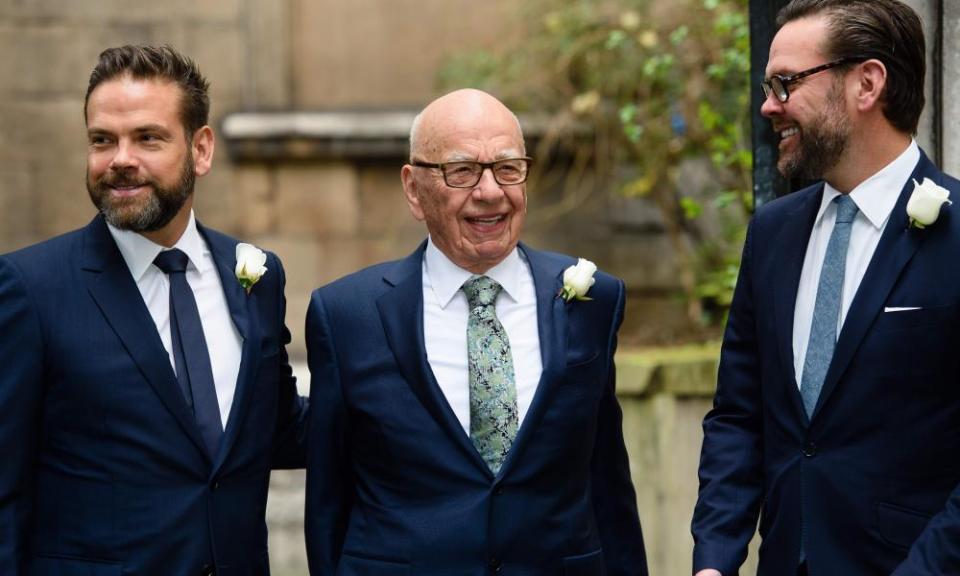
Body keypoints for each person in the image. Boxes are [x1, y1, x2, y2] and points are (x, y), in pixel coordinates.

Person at [304, 88, 647, 575]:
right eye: (461, 171)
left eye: (508, 168)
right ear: (413, 188)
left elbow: (608, 481)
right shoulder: (346, 315)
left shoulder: (594, 300)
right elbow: (328, 500)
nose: (490, 192)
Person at [0, 45, 307, 575]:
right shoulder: (29, 287)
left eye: (147, 137)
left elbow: (276, 427)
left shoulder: (257, 276)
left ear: (201, 149)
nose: (120, 159)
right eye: (102, 140)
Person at [692, 1, 960, 574]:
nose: (768, 105)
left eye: (786, 83)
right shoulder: (771, 233)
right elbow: (739, 418)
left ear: (867, 83)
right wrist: (714, 558)